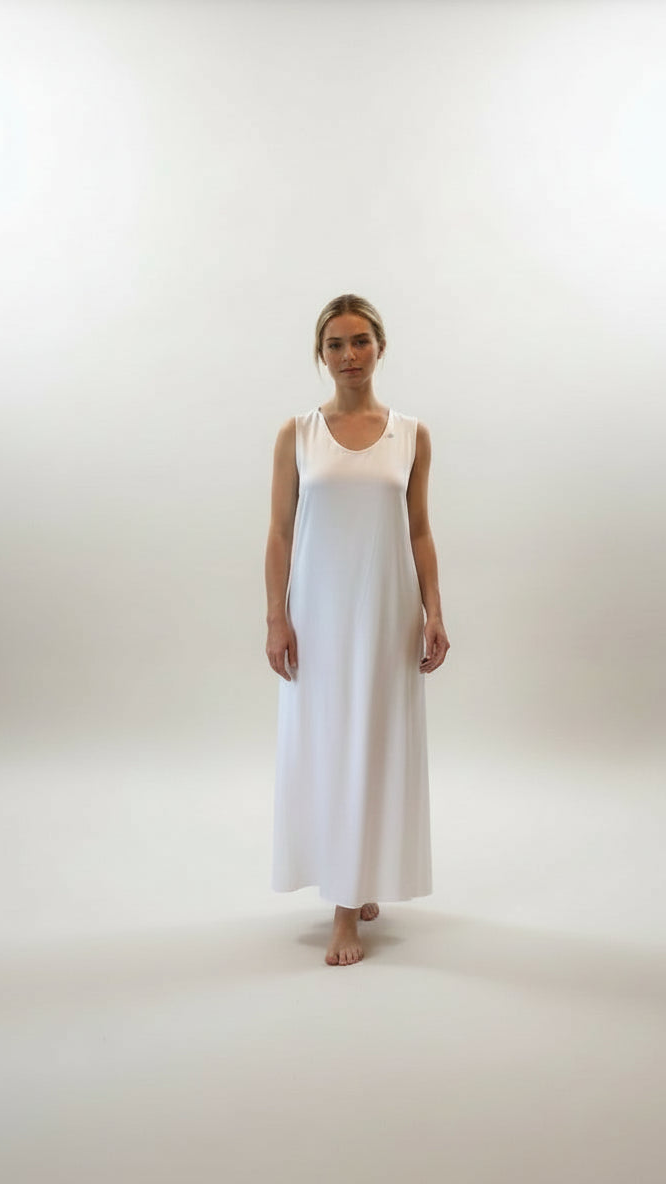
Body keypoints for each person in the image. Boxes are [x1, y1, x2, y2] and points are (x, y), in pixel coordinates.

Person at [264, 294, 450, 967]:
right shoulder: (298, 434)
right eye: (336, 344)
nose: (349, 356)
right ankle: (345, 896)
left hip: (383, 611)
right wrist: (276, 617)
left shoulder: (411, 434)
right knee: (330, 742)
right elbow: (280, 532)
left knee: (372, 741)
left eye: (361, 341)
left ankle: (356, 890)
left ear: (380, 346)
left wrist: (434, 610)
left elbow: (420, 529)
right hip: (318, 613)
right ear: (322, 353)